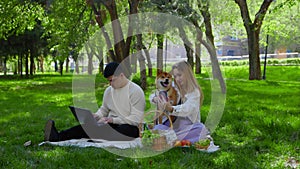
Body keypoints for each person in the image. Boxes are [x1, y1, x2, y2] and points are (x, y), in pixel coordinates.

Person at [44, 62, 145, 142]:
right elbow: (104, 109)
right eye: (108, 81)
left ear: (122, 75)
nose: (110, 84)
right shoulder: (109, 91)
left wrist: (112, 120)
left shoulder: (136, 91)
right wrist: (96, 115)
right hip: (110, 124)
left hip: (129, 127)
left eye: (112, 80)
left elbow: (135, 119)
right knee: (88, 127)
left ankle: (97, 135)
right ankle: (57, 136)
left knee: (123, 131)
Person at [153, 61, 209, 144]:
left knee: (200, 128)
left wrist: (171, 109)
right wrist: (155, 98)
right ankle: (172, 138)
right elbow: (158, 91)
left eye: (179, 75)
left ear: (187, 75)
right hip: (172, 125)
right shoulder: (174, 87)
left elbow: (187, 109)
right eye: (175, 76)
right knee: (158, 127)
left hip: (187, 126)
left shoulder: (195, 92)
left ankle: (168, 139)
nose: (177, 79)